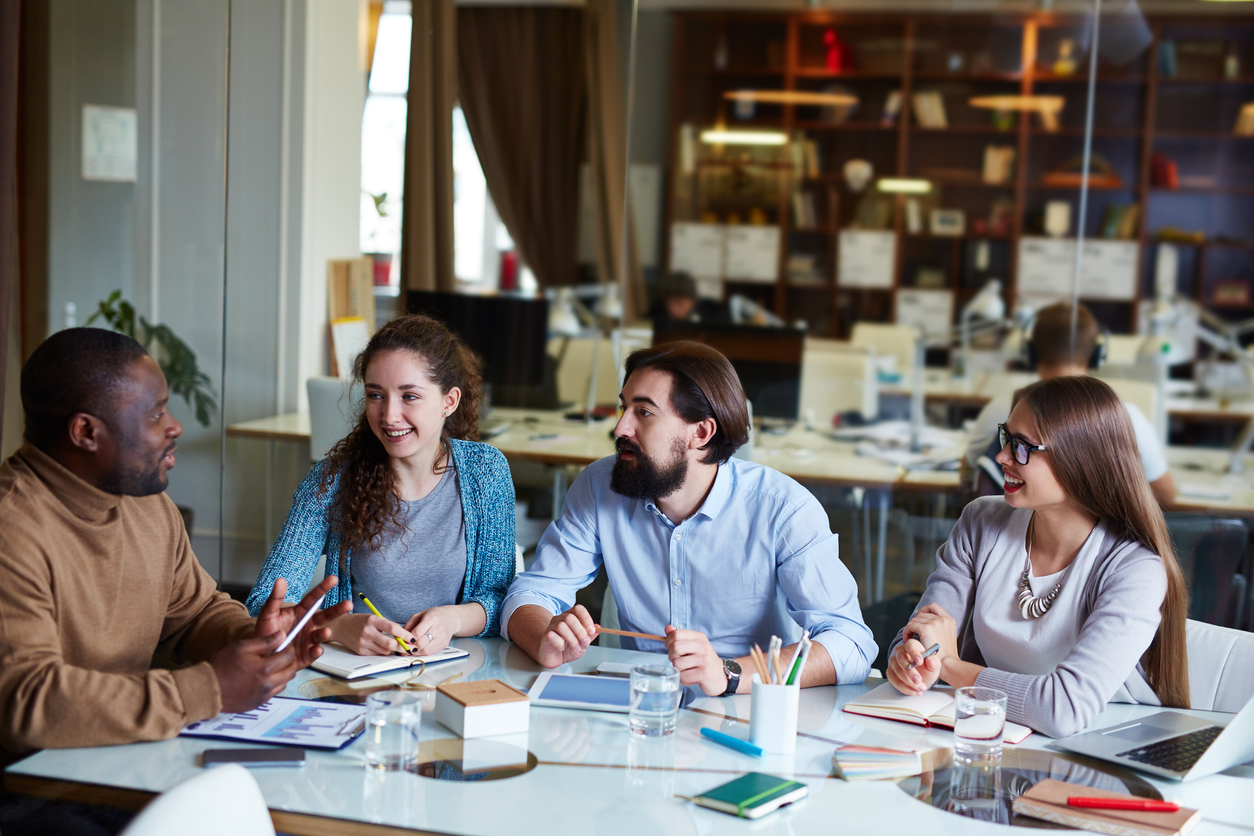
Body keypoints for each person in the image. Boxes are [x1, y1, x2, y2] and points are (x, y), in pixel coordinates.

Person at [0, 329, 345, 764]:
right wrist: (208, 690)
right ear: (86, 431)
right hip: (30, 785)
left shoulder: (145, 504)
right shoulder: (12, 530)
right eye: (154, 415)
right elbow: (27, 703)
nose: (174, 426)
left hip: (119, 757)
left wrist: (256, 638)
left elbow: (194, 614)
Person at [502, 341, 876, 695]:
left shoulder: (783, 508)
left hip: (748, 709)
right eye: (624, 408)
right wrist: (544, 637)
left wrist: (729, 673)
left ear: (701, 432)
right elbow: (531, 593)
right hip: (640, 706)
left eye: (644, 412)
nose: (619, 429)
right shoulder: (599, 486)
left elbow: (851, 644)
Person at [889, 375, 1190, 738]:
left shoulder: (1135, 570)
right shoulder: (981, 521)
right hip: (1001, 738)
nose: (1001, 456)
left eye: (1022, 446)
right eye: (1006, 437)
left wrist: (951, 666)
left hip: (1103, 751)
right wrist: (909, 661)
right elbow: (920, 635)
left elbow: (1062, 709)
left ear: (1080, 460)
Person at [246, 314, 516, 656]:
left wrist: (453, 619)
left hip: (454, 675)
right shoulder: (332, 478)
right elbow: (264, 604)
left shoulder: (486, 472)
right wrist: (335, 627)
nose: (389, 415)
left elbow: (499, 601)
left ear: (449, 401)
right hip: (354, 677)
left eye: (409, 397)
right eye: (376, 395)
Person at [965, 302, 1175, 506]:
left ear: (1032, 353)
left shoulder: (1000, 409)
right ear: (1096, 356)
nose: (1004, 455)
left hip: (1006, 531)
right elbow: (1166, 496)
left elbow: (968, 475)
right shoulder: (1125, 416)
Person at [648, 271, 729, 325]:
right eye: (670, 303)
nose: (674, 309)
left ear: (694, 301)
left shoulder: (713, 315)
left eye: (680, 304)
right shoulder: (656, 313)